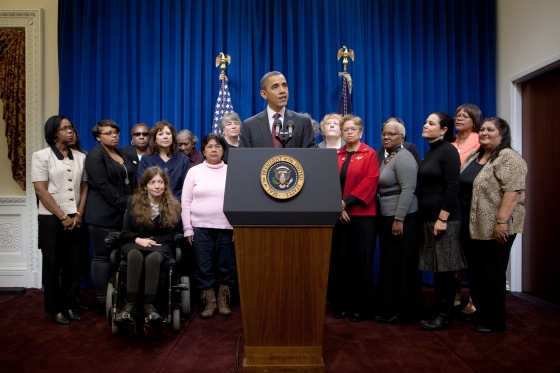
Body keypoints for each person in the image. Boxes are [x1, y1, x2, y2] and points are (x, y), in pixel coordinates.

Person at [458, 117, 526, 333]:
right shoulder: (474, 155)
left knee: (492, 273)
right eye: (483, 129)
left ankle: (494, 321)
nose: (485, 132)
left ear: (502, 134)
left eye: (491, 129)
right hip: (472, 226)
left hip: (496, 227)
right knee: (476, 273)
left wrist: (502, 222)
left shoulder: (509, 158)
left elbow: (514, 191)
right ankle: (481, 311)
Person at [32, 116, 88, 324]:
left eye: (71, 127)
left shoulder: (81, 157)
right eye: (64, 128)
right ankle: (56, 309)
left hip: (75, 218)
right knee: (52, 265)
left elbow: (84, 188)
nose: (70, 131)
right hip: (51, 219)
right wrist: (62, 216)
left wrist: (79, 214)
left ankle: (70, 305)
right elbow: (40, 189)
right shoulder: (41, 156)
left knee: (73, 264)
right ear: (54, 133)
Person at [113, 166, 182, 325]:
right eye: (152, 182)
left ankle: (149, 307)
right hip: (135, 243)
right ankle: (130, 306)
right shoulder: (133, 202)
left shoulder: (173, 205)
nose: (157, 186)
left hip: (160, 246)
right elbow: (125, 232)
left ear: (165, 185)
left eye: (160, 182)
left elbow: (173, 234)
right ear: (145, 186)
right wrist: (139, 239)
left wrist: (154, 242)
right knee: (135, 255)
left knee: (153, 258)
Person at [417, 112, 466, 331]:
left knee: (445, 270)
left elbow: (452, 187)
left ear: (444, 130)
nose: (425, 125)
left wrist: (442, 218)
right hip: (428, 218)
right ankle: (439, 311)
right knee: (437, 269)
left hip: (444, 219)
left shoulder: (448, 151)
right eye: (426, 122)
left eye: (431, 123)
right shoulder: (431, 152)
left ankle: (444, 316)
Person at [329, 115, 379, 322]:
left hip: (363, 217)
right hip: (339, 217)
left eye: (353, 129)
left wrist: (345, 202)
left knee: (362, 262)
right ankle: (342, 306)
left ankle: (362, 307)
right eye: (346, 129)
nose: (349, 132)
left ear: (361, 131)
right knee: (342, 262)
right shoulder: (336, 155)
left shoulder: (369, 154)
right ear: (341, 132)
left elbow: (371, 181)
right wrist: (337, 207)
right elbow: (329, 182)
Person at [85, 119, 137, 313]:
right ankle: (101, 299)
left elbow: (130, 180)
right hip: (102, 214)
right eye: (108, 133)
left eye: (116, 132)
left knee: (118, 257)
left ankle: (118, 296)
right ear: (98, 137)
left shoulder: (122, 153)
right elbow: (103, 185)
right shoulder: (94, 155)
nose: (114, 135)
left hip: (123, 214)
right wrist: (125, 205)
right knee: (102, 257)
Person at [181, 133, 235, 319]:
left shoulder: (232, 171)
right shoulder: (194, 171)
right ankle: (209, 302)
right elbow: (186, 202)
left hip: (227, 228)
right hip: (200, 227)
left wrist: (237, 226)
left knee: (226, 265)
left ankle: (223, 300)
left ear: (223, 150)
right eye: (210, 146)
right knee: (203, 266)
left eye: (218, 146)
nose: (214, 149)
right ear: (203, 150)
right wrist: (188, 228)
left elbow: (239, 200)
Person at [375, 121, 420, 324]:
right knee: (390, 263)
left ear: (402, 138)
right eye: (384, 133)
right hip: (387, 216)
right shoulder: (388, 157)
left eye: (392, 134)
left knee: (401, 265)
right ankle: (389, 307)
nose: (386, 137)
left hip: (401, 218)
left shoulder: (404, 158)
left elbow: (409, 190)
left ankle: (402, 310)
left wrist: (399, 219)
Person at [450, 103, 482, 313]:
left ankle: (476, 299)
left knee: (473, 253)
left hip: (473, 203)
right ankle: (455, 293)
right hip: (453, 203)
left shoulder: (480, 141)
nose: (459, 118)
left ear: (474, 120)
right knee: (454, 249)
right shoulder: (449, 144)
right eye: (457, 115)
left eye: (465, 116)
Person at [239, 71, 316, 148]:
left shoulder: (303, 122)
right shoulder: (250, 125)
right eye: (275, 87)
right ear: (264, 94)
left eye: (284, 85)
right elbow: (244, 158)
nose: (282, 91)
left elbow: (310, 156)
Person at [138, 121, 190, 201]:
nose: (165, 137)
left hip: (177, 205)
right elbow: (141, 184)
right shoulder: (146, 159)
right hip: (151, 204)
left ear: (173, 137)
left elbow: (187, 188)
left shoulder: (183, 159)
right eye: (160, 134)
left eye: (168, 133)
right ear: (154, 139)